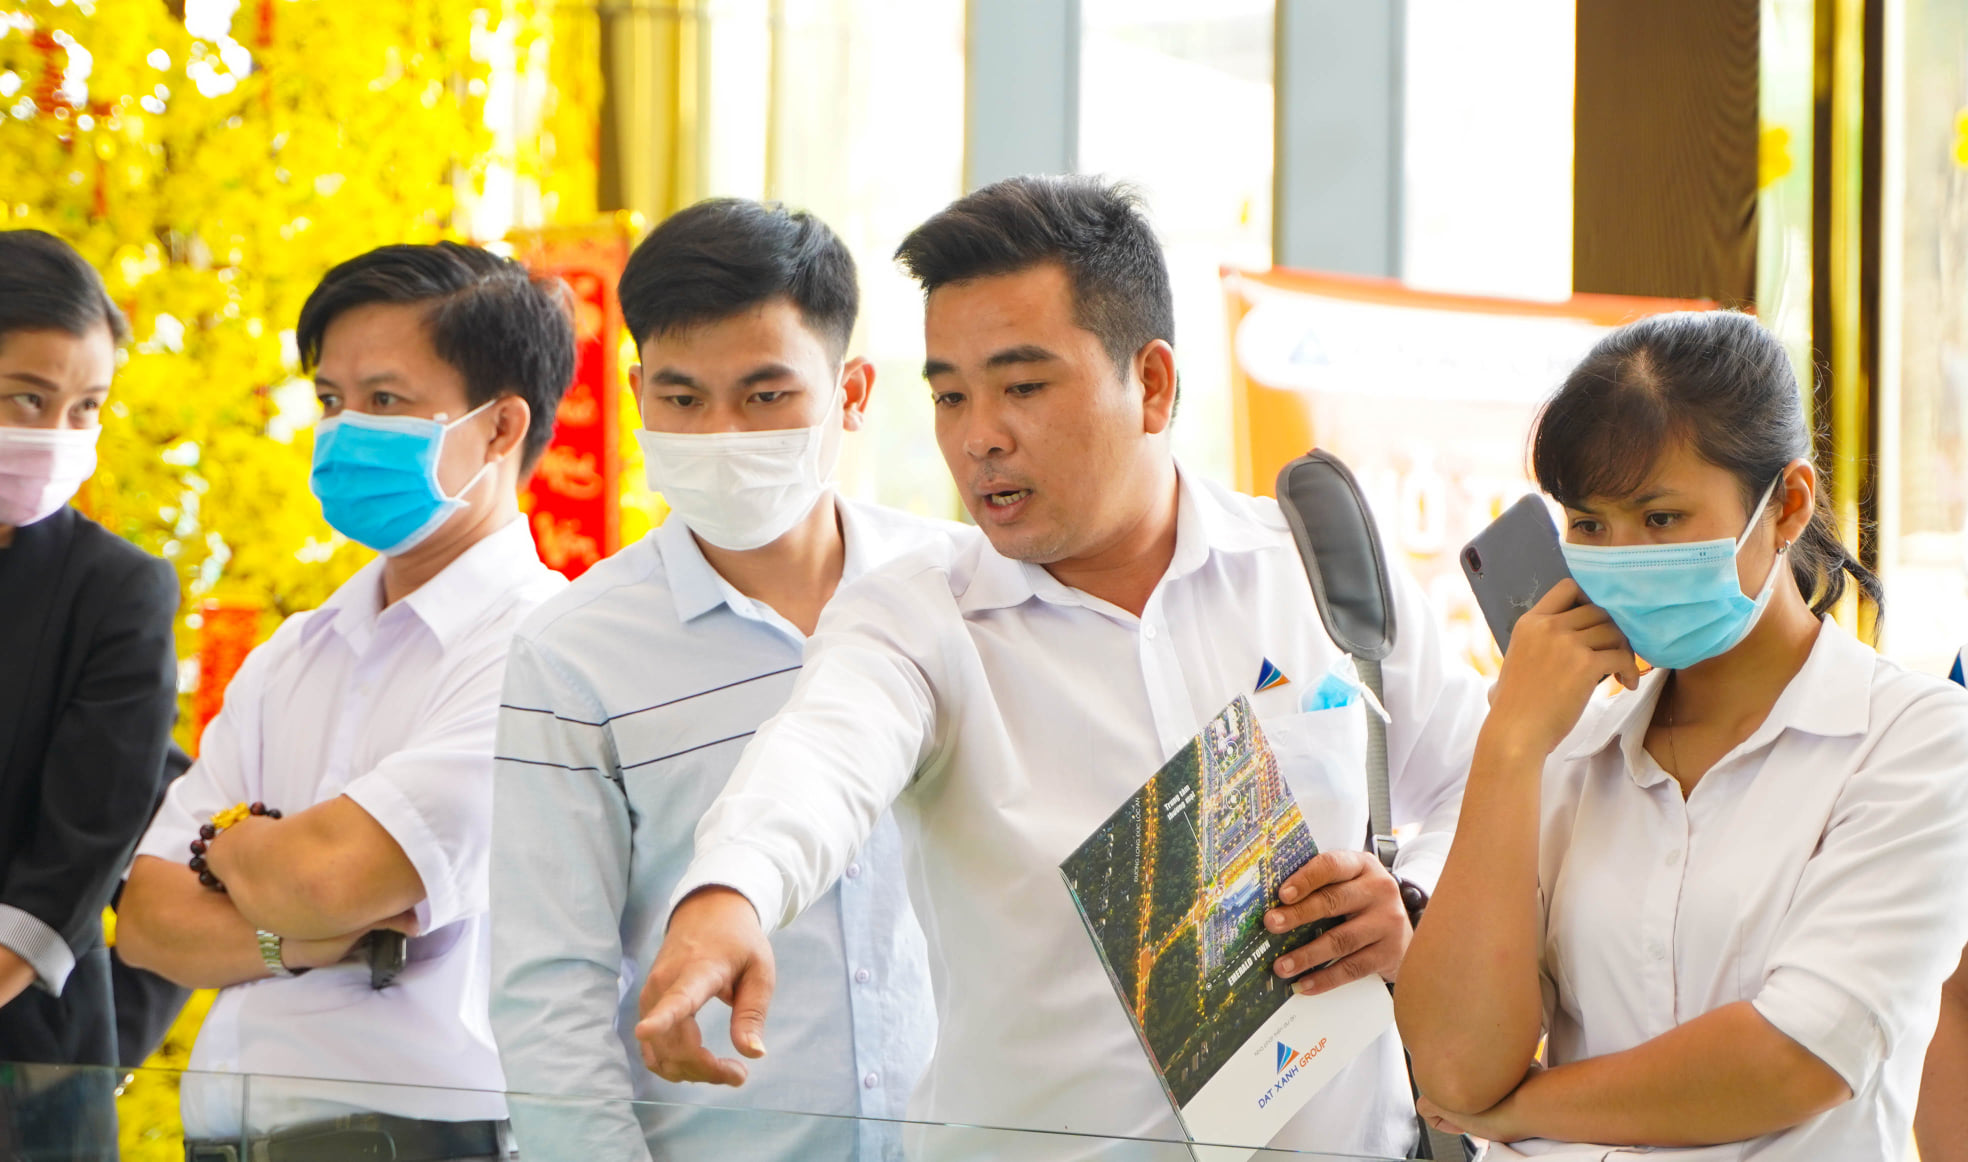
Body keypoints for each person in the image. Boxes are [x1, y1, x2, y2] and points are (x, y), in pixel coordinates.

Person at [634, 176, 1488, 1159]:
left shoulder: (1313, 576)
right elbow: (821, 755)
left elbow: (1476, 782)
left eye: (1023, 387)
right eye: (950, 395)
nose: (978, 437)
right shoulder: (920, 620)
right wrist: (731, 891)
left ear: (1152, 384)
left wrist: (1411, 907)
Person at [1395, 310, 1968, 1161]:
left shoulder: (1914, 742)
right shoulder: (1563, 747)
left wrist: (1519, 1110)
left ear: (1787, 505)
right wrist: (1508, 747)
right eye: (1589, 525)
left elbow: (1794, 1058)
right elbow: (1450, 1065)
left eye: (1660, 519)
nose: (1622, 555)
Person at [489, 199, 949, 1161]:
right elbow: (551, 993)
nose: (722, 432)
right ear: (636, 393)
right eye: (683, 399)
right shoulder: (573, 652)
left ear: (853, 392)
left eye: (766, 396)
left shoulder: (960, 593)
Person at [117, 242, 574, 1157]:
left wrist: (235, 846)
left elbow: (327, 880)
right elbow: (148, 922)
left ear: (500, 427)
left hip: (420, 1140)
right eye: (331, 400)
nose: (344, 431)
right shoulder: (297, 650)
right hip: (228, 1139)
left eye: (385, 400)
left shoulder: (545, 645)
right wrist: (312, 938)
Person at [0, 229, 180, 1155]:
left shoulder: (114, 591)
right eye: (28, 399)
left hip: (26, 1074)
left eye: (86, 408)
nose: (55, 436)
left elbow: (87, 842)